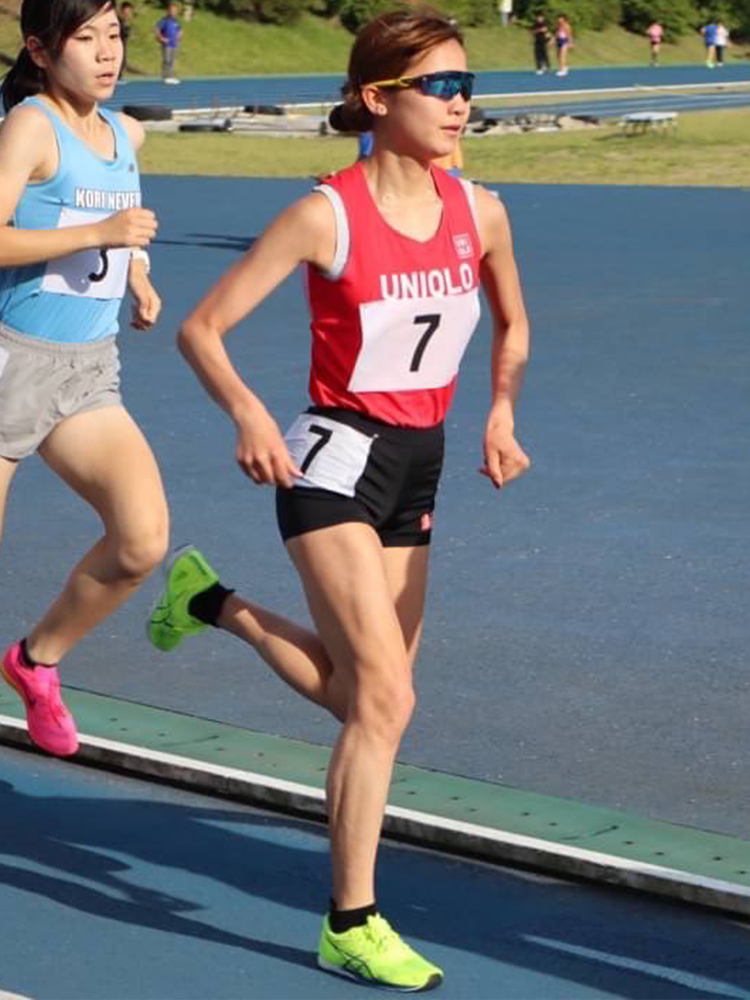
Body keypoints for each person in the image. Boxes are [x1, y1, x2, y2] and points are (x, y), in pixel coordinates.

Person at [147, 6, 530, 992]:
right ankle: (351, 922)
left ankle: (213, 603)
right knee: (388, 699)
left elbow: (513, 324)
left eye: (466, 85)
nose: (460, 103)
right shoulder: (327, 214)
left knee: (370, 701)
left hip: (420, 466)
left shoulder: (481, 211)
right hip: (333, 466)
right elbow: (201, 329)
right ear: (378, 98)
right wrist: (248, 414)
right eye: (439, 86)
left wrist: (499, 411)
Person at [0, 0, 168, 758]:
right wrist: (100, 234)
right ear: (40, 50)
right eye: (86, 38)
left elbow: (119, 215)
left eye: (115, 36)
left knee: (140, 539)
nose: (108, 53)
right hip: (12, 362)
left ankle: (34, 661)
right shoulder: (32, 126)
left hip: (89, 371)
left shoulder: (125, 132)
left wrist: (138, 273)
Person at [155, 0, 181, 84]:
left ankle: (170, 76)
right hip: (167, 44)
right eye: (171, 10)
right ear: (168, 10)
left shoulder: (176, 21)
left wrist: (178, 37)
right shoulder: (164, 20)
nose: (173, 12)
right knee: (167, 60)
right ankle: (165, 76)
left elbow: (179, 29)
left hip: (174, 44)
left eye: (174, 10)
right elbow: (157, 28)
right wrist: (161, 38)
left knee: (172, 61)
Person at [117, 1, 133, 79]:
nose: (128, 13)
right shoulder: (117, 20)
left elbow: (126, 34)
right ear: (122, 10)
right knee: (119, 60)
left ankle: (119, 75)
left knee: (123, 61)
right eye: (127, 10)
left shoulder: (125, 21)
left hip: (123, 44)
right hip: (117, 45)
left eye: (129, 11)